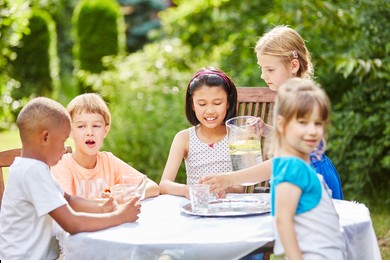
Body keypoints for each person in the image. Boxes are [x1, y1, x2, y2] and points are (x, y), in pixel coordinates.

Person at [200, 25, 344, 200]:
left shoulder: (302, 100)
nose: (263, 75)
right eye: (262, 68)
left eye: (270, 69)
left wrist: (229, 178)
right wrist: (267, 130)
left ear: (294, 65)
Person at [0, 97, 141, 259]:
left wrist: (104, 206)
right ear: (45, 138)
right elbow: (72, 224)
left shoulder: (33, 168)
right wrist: (119, 217)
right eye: (62, 141)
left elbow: (69, 199)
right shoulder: (32, 172)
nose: (64, 149)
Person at [268, 78, 346, 259]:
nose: (313, 130)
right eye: (303, 122)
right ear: (281, 124)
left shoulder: (291, 164)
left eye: (318, 123)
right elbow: (283, 221)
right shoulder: (293, 167)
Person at [51, 93, 159, 200]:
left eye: (96, 126)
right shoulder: (62, 165)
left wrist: (126, 195)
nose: (90, 132)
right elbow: (67, 205)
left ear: (105, 131)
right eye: (81, 126)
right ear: (70, 131)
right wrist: (105, 204)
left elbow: (153, 187)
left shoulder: (109, 162)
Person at [159, 67, 244, 198]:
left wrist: (225, 189)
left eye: (217, 103)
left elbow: (240, 188)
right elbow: (164, 184)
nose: (210, 110)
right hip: (197, 206)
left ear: (228, 103)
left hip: (228, 206)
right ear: (192, 105)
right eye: (202, 104)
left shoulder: (237, 136)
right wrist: (188, 190)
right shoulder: (184, 138)